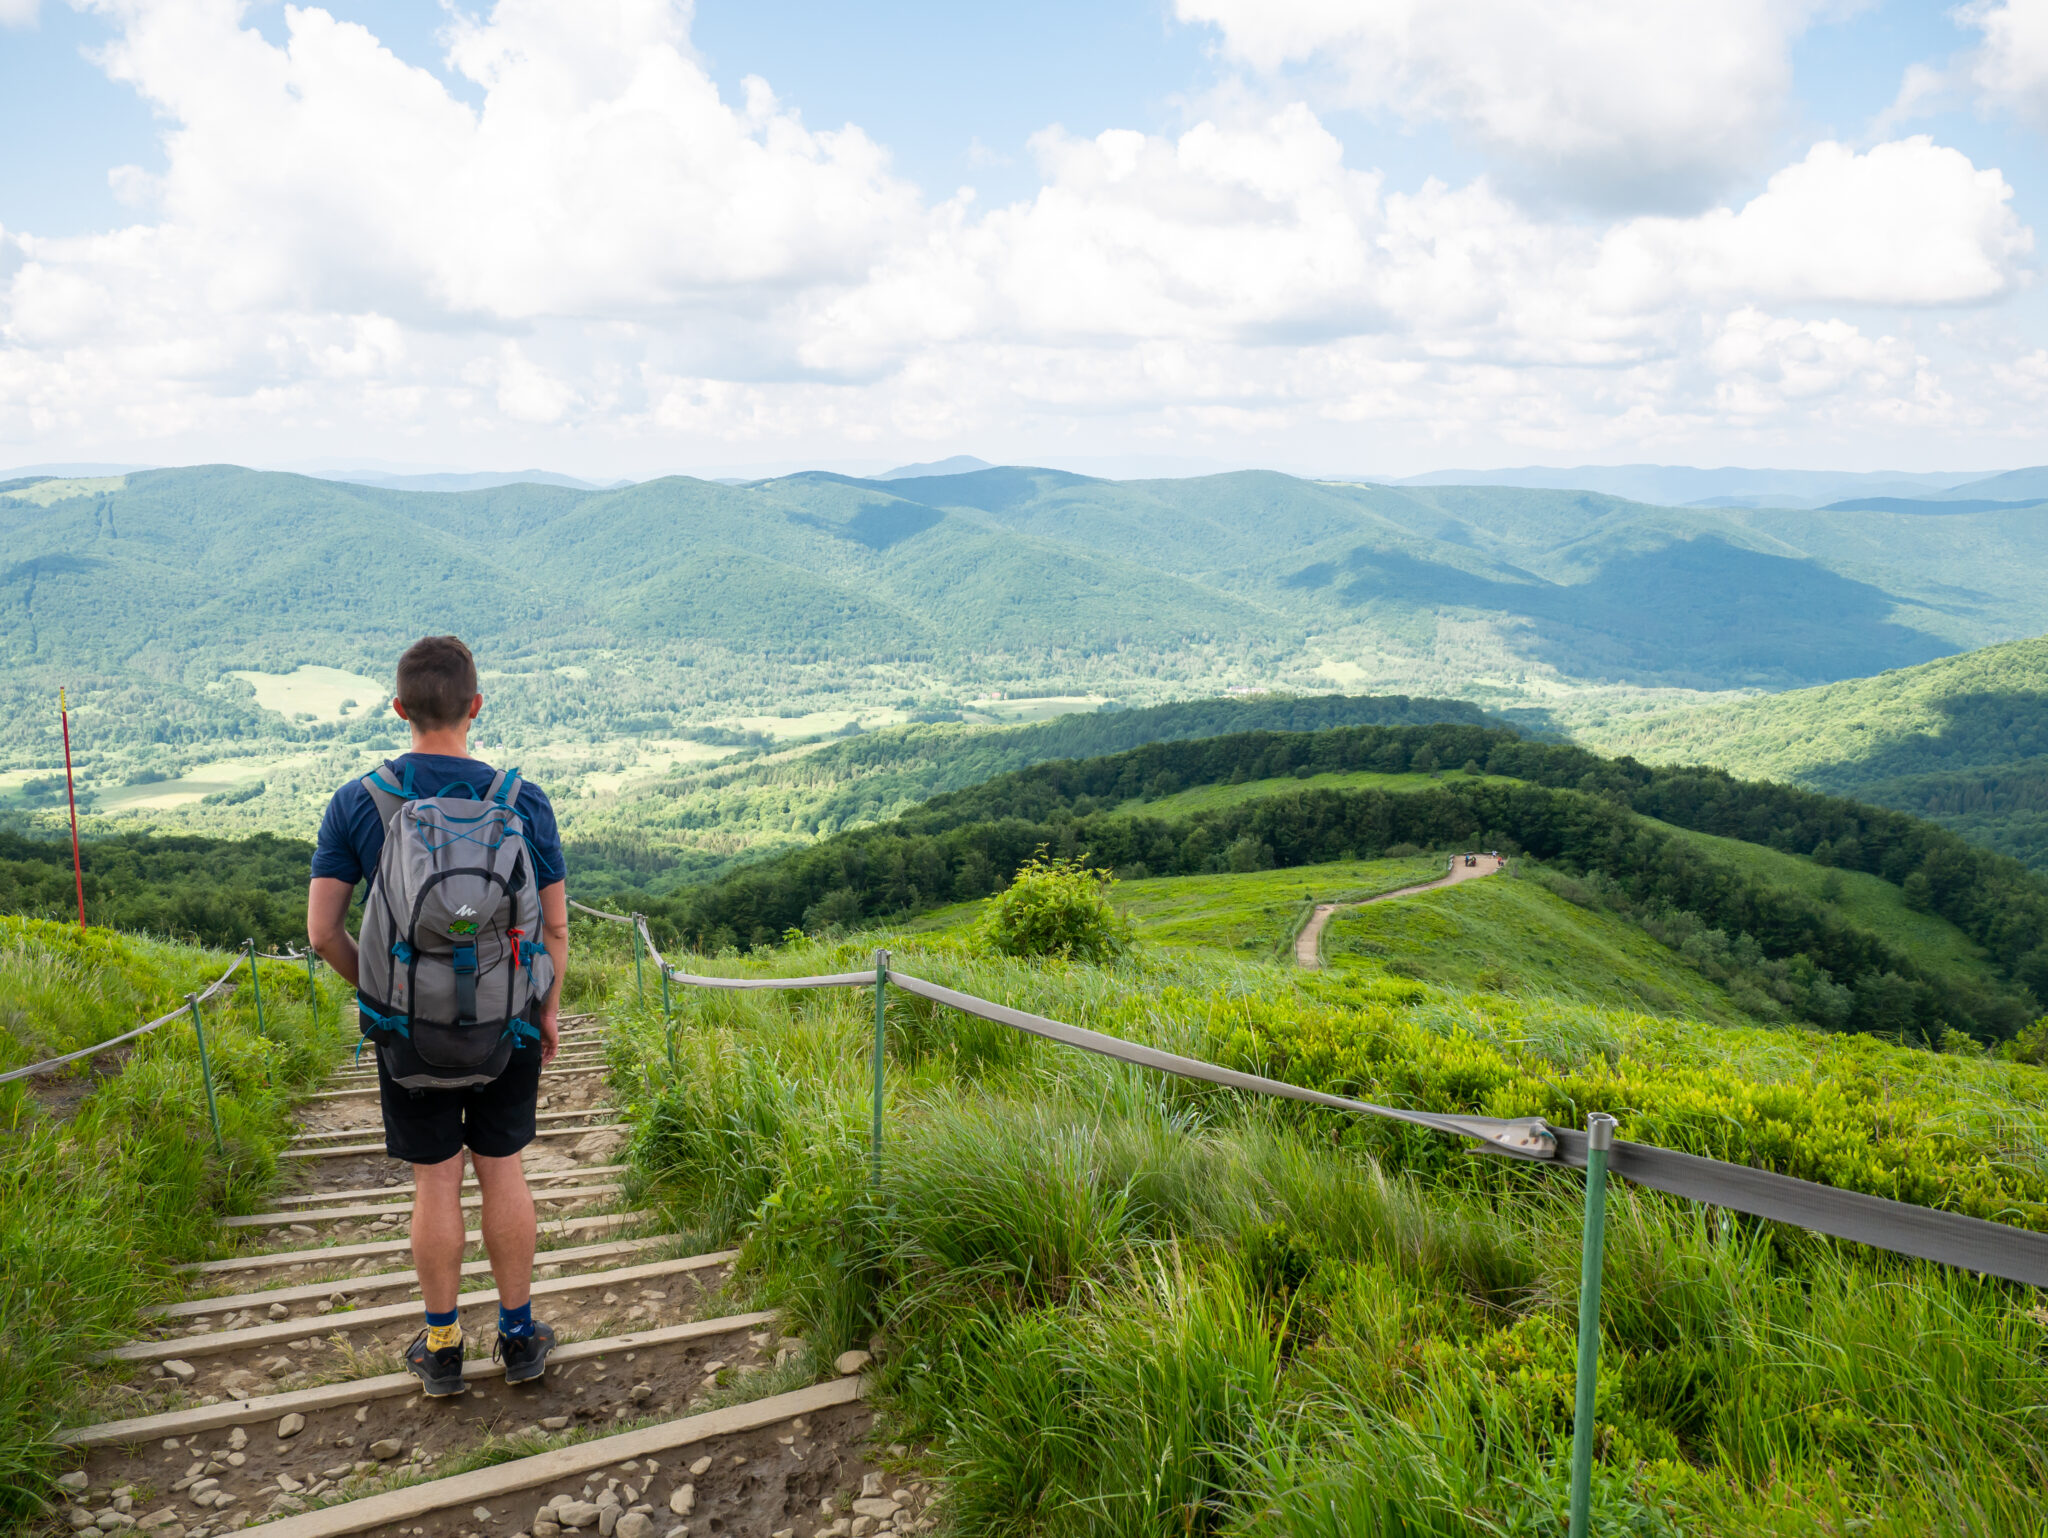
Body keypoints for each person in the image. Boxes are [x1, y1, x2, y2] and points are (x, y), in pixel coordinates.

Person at [306, 635, 570, 1396]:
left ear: (399, 710)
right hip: (508, 1023)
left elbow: (323, 932)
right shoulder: (521, 801)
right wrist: (546, 1009)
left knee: (434, 1182)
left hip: (408, 1034)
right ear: (475, 706)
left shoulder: (358, 802)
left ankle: (444, 1346)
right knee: (503, 1170)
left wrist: (384, 999)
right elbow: (553, 930)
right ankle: (520, 1340)